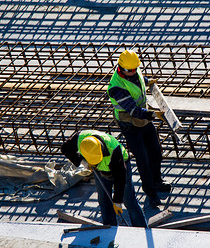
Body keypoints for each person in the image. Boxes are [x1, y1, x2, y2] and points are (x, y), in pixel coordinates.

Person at [107, 50, 171, 208]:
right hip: (130, 124)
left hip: (144, 119)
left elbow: (138, 78)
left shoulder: (132, 69)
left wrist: (148, 81)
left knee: (155, 151)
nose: (134, 72)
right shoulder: (116, 87)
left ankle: (157, 181)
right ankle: (150, 192)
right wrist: (153, 115)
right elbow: (133, 110)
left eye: (136, 69)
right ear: (121, 68)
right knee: (143, 159)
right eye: (130, 70)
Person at [60, 129, 147, 227]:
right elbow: (65, 148)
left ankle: (141, 228)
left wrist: (117, 201)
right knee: (104, 200)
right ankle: (109, 228)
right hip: (100, 170)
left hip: (120, 166)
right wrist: (82, 162)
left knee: (129, 200)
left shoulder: (114, 151)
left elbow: (120, 179)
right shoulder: (80, 139)